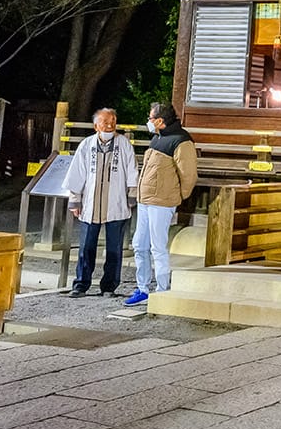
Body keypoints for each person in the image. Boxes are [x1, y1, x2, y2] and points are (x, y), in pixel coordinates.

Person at [124, 102, 197, 307]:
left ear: (160, 120)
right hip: (146, 199)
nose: (148, 121)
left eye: (150, 118)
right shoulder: (158, 138)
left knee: (158, 246)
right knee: (139, 244)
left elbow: (188, 175)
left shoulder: (181, 141)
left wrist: (178, 196)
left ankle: (162, 289)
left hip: (163, 201)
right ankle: (143, 288)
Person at [61, 108, 136, 297]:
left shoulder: (124, 144)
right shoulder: (87, 145)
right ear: (96, 126)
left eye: (112, 121)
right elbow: (77, 174)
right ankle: (81, 284)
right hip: (90, 204)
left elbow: (132, 171)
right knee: (86, 247)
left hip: (116, 203)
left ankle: (109, 286)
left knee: (114, 248)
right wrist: (74, 201)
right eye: (105, 121)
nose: (109, 125)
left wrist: (131, 195)